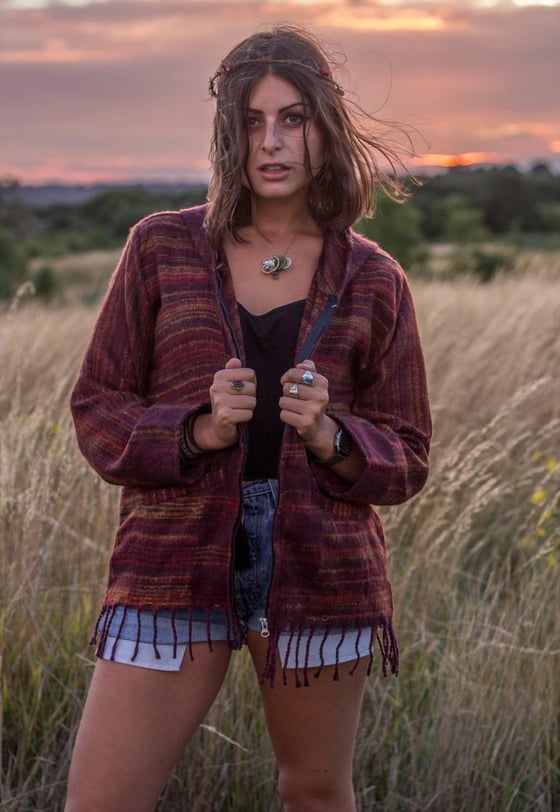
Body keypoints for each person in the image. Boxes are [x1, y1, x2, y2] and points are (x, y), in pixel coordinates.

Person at [65, 24, 431, 812]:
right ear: (226, 132)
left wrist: (335, 439)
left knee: (315, 792)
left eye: (293, 118)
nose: (272, 142)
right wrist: (194, 431)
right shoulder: (161, 248)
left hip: (319, 565)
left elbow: (408, 453)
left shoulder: (373, 278)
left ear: (323, 128)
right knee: (101, 800)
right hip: (173, 557)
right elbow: (97, 406)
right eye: (251, 121)